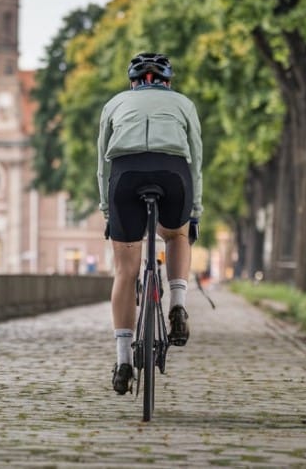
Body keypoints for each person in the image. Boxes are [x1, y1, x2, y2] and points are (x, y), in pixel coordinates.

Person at [97, 52, 203, 395]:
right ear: (168, 82)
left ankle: (124, 360)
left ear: (132, 83)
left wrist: (107, 210)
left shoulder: (114, 103)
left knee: (125, 271)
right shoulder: (184, 104)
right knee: (176, 235)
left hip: (125, 176)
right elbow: (196, 161)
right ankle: (177, 305)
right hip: (173, 173)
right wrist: (195, 212)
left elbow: (102, 165)